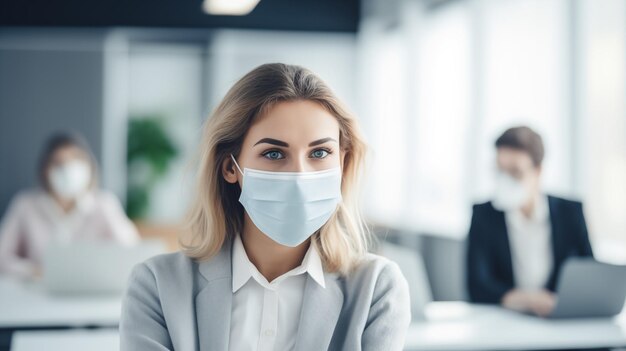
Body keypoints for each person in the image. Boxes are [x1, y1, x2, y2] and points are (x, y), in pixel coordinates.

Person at [120, 63, 411, 351]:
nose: (300, 175)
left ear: (343, 162)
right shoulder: (157, 286)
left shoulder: (377, 288)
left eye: (320, 152)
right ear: (229, 168)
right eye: (273, 153)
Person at [466, 126, 593, 317]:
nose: (506, 180)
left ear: (538, 171)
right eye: (501, 171)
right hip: (506, 322)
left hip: (562, 322)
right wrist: (530, 300)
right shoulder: (484, 215)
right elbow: (477, 286)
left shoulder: (570, 213)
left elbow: (589, 275)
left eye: (515, 172)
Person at [0, 131, 139, 278]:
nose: (67, 169)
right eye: (58, 163)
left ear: (89, 166)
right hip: (36, 292)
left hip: (90, 293)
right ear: (45, 170)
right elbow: (2, 258)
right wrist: (36, 272)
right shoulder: (25, 205)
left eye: (76, 160)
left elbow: (130, 254)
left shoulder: (105, 204)